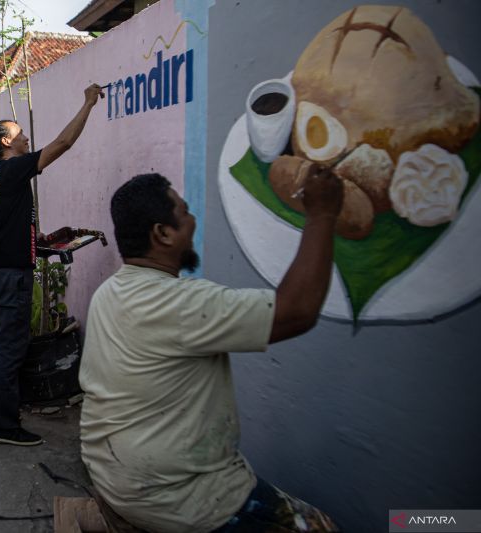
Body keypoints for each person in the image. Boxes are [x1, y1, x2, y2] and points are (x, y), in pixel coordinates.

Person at [79, 172, 344, 532]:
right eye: (185, 213)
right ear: (163, 233)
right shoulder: (179, 303)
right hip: (178, 497)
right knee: (319, 526)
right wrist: (323, 214)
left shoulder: (109, 293)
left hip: (116, 474)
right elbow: (297, 311)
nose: (193, 220)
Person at [0, 83, 103, 446]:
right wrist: (88, 104)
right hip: (12, 275)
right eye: (19, 133)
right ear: (5, 143)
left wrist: (35, 236)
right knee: (12, 350)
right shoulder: (14, 167)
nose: (26, 137)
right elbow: (62, 144)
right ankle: (4, 425)